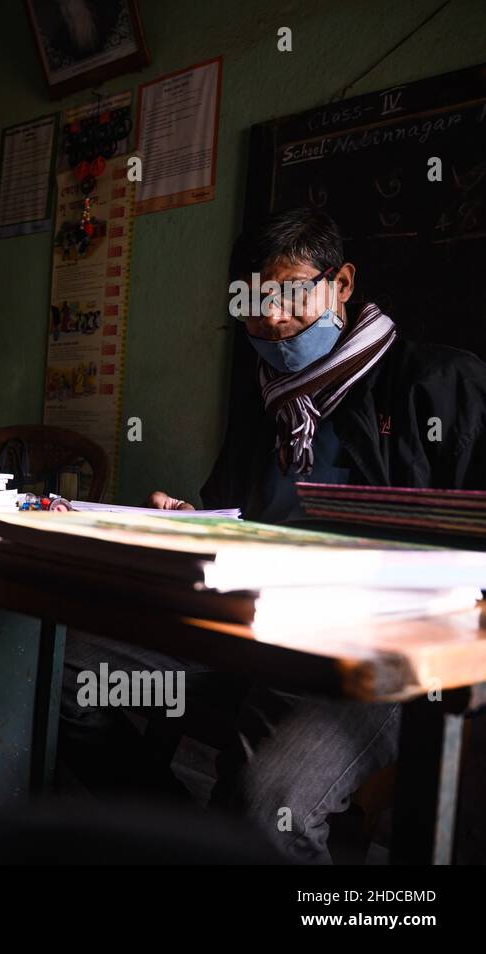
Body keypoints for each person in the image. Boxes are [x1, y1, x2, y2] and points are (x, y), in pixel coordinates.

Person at [61, 208, 486, 862]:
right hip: (248, 630)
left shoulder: (439, 385)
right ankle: (190, 843)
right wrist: (188, 526)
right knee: (60, 674)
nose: (274, 321)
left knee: (271, 803)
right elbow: (231, 520)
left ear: (342, 284)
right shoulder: (268, 401)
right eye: (254, 304)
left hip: (374, 657)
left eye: (291, 295)